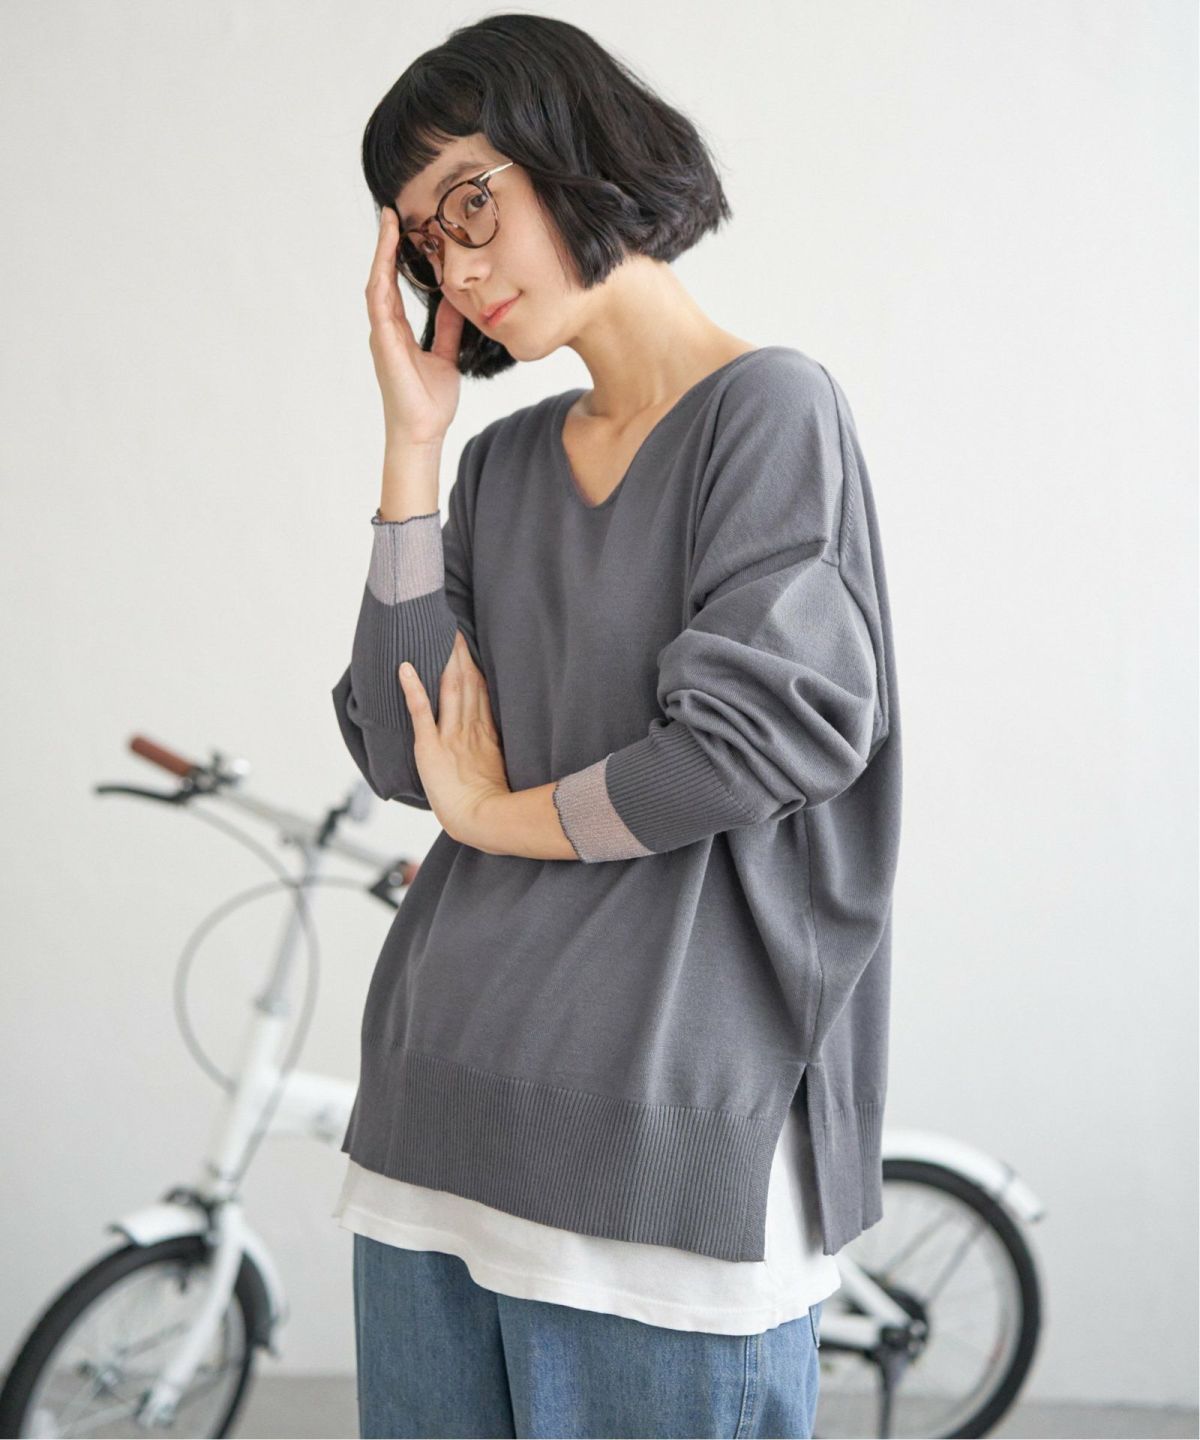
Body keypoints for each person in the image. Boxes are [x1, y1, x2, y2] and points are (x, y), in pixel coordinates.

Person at [329, 13, 903, 1439]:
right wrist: (414, 451)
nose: (459, 269)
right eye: (425, 242)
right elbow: (401, 748)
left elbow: (745, 744)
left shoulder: (768, 410)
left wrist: (495, 819)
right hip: (433, 1120)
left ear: (572, 148)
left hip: (660, 1156)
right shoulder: (502, 466)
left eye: (472, 203)